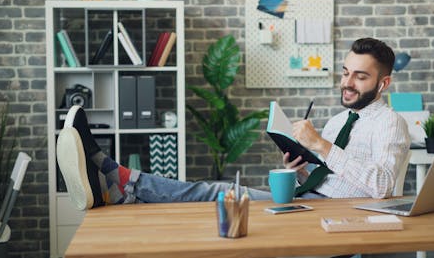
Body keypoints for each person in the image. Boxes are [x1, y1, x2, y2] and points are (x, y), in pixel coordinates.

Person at [56, 37, 410, 211]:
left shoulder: (390, 123)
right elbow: (330, 172)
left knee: (216, 194)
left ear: (383, 83)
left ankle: (116, 180)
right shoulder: (339, 119)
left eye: (360, 77)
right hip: (310, 198)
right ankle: (118, 184)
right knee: (215, 192)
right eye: (346, 72)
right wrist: (300, 166)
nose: (347, 83)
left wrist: (321, 145)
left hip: (335, 213)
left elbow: (383, 187)